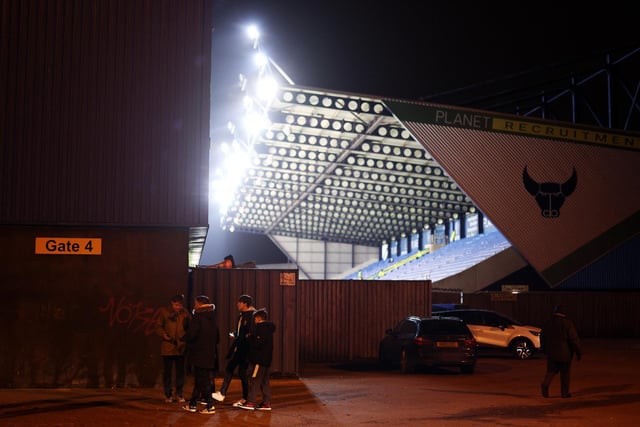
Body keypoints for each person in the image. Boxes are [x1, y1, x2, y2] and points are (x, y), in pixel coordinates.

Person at [212, 294, 255, 407]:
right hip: (240, 348)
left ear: (245, 304)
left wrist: (242, 339)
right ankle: (246, 398)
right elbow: (242, 332)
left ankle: (223, 393)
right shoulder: (241, 316)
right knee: (241, 373)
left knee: (231, 369)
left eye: (239, 302)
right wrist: (236, 334)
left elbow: (250, 334)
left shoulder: (250, 316)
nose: (237, 304)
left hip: (244, 350)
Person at [182, 295, 219, 414]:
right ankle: (192, 404)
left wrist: (184, 338)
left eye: (195, 303)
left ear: (200, 304)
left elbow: (192, 334)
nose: (194, 306)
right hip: (210, 354)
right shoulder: (212, 318)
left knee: (203, 381)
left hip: (199, 354)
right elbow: (217, 338)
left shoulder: (198, 317)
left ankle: (209, 405)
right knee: (200, 380)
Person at [540, 304, 582, 398]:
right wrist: (578, 352)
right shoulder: (567, 323)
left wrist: (544, 349)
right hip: (565, 353)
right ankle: (564, 393)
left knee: (551, 371)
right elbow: (574, 339)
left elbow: (542, 337)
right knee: (565, 374)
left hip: (551, 353)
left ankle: (545, 385)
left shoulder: (548, 322)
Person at [238, 308, 276, 411]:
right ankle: (266, 403)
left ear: (259, 318)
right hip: (266, 360)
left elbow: (257, 343)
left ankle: (250, 402)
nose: (254, 321)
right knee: (264, 381)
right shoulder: (268, 329)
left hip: (258, 360)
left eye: (255, 318)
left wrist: (249, 337)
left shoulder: (261, 329)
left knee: (254, 380)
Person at [155, 294, 190, 403]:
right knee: (167, 373)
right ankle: (168, 394)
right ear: (172, 303)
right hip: (168, 347)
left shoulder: (185, 313)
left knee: (180, 372)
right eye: (176, 305)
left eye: (180, 305)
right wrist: (163, 334)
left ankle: (179, 394)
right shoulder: (164, 312)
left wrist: (185, 338)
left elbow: (190, 327)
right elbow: (158, 326)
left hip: (181, 348)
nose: (178, 307)